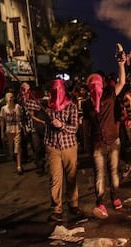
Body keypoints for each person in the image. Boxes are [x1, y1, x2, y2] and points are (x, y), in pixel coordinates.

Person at [82, 54, 126, 219]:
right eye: (91, 85)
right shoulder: (86, 104)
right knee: (99, 173)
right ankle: (100, 202)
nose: (95, 87)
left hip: (113, 140)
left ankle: (115, 197)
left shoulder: (109, 95)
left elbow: (121, 82)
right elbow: (86, 126)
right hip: (97, 143)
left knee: (113, 171)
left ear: (101, 84)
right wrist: (86, 144)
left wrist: (121, 65)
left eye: (97, 83)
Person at [44, 79, 83, 222]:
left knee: (71, 177)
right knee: (55, 179)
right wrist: (24, 91)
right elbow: (27, 103)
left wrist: (61, 125)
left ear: (64, 90)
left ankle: (73, 204)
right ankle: (56, 209)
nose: (57, 93)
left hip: (69, 147)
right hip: (53, 146)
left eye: (59, 90)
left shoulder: (71, 107)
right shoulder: (47, 106)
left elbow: (74, 128)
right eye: (54, 90)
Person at [17, 82, 46, 175]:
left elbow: (38, 106)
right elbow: (23, 103)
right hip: (33, 128)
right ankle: (40, 166)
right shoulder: (25, 100)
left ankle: (44, 164)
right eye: (23, 89)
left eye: (27, 89)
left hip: (43, 127)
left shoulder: (40, 99)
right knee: (36, 147)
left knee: (44, 147)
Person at [0, 92, 24, 175]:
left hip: (17, 129)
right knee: (11, 149)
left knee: (18, 147)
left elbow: (21, 118)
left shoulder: (17, 107)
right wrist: (2, 133)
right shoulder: (3, 109)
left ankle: (19, 166)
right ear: (6, 98)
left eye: (12, 97)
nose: (11, 99)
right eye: (9, 97)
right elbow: (2, 121)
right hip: (9, 130)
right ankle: (14, 158)